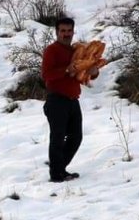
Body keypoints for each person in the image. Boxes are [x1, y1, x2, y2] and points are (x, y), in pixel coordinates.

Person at [41, 17, 99, 183]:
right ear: (57, 32)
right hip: (56, 100)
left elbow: (87, 73)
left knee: (76, 137)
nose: (66, 34)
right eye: (63, 31)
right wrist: (66, 69)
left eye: (69, 31)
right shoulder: (51, 50)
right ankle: (56, 174)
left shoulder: (77, 50)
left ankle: (59, 168)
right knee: (57, 138)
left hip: (73, 99)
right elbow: (46, 75)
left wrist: (94, 71)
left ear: (73, 31)